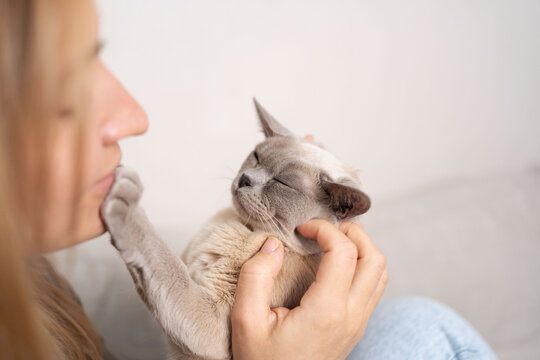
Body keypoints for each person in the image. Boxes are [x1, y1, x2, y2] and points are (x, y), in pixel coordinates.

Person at [0, 1, 498, 359]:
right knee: (424, 327)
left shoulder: (35, 284)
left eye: (275, 182)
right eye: (62, 91)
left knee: (414, 318)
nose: (135, 117)